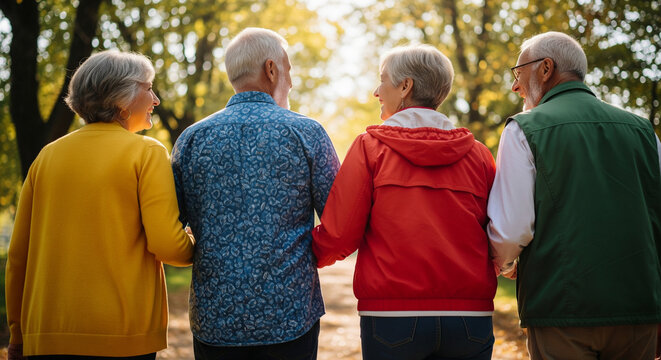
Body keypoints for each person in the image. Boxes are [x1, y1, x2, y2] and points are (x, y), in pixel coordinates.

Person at [5, 50, 195, 360]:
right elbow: (167, 244)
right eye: (148, 87)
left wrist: (17, 334)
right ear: (121, 96)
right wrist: (196, 245)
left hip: (46, 333)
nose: (156, 99)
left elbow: (18, 256)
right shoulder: (146, 152)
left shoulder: (46, 157)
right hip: (122, 334)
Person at [312, 44, 497, 360]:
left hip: (393, 316)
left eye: (382, 80)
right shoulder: (478, 154)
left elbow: (340, 234)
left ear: (405, 86)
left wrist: (305, 258)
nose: (375, 91)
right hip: (470, 317)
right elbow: (499, 231)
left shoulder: (370, 147)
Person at [487, 31, 661, 359]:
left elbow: (512, 228)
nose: (515, 86)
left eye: (518, 73)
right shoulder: (643, 132)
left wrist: (506, 262)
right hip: (641, 310)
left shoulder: (524, 129)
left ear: (545, 68)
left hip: (562, 312)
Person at [171, 27, 340, 360]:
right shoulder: (307, 133)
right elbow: (339, 217)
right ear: (271, 69)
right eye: (288, 70)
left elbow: (172, 222)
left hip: (215, 318)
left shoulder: (191, 140)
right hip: (289, 315)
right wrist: (305, 258)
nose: (290, 81)